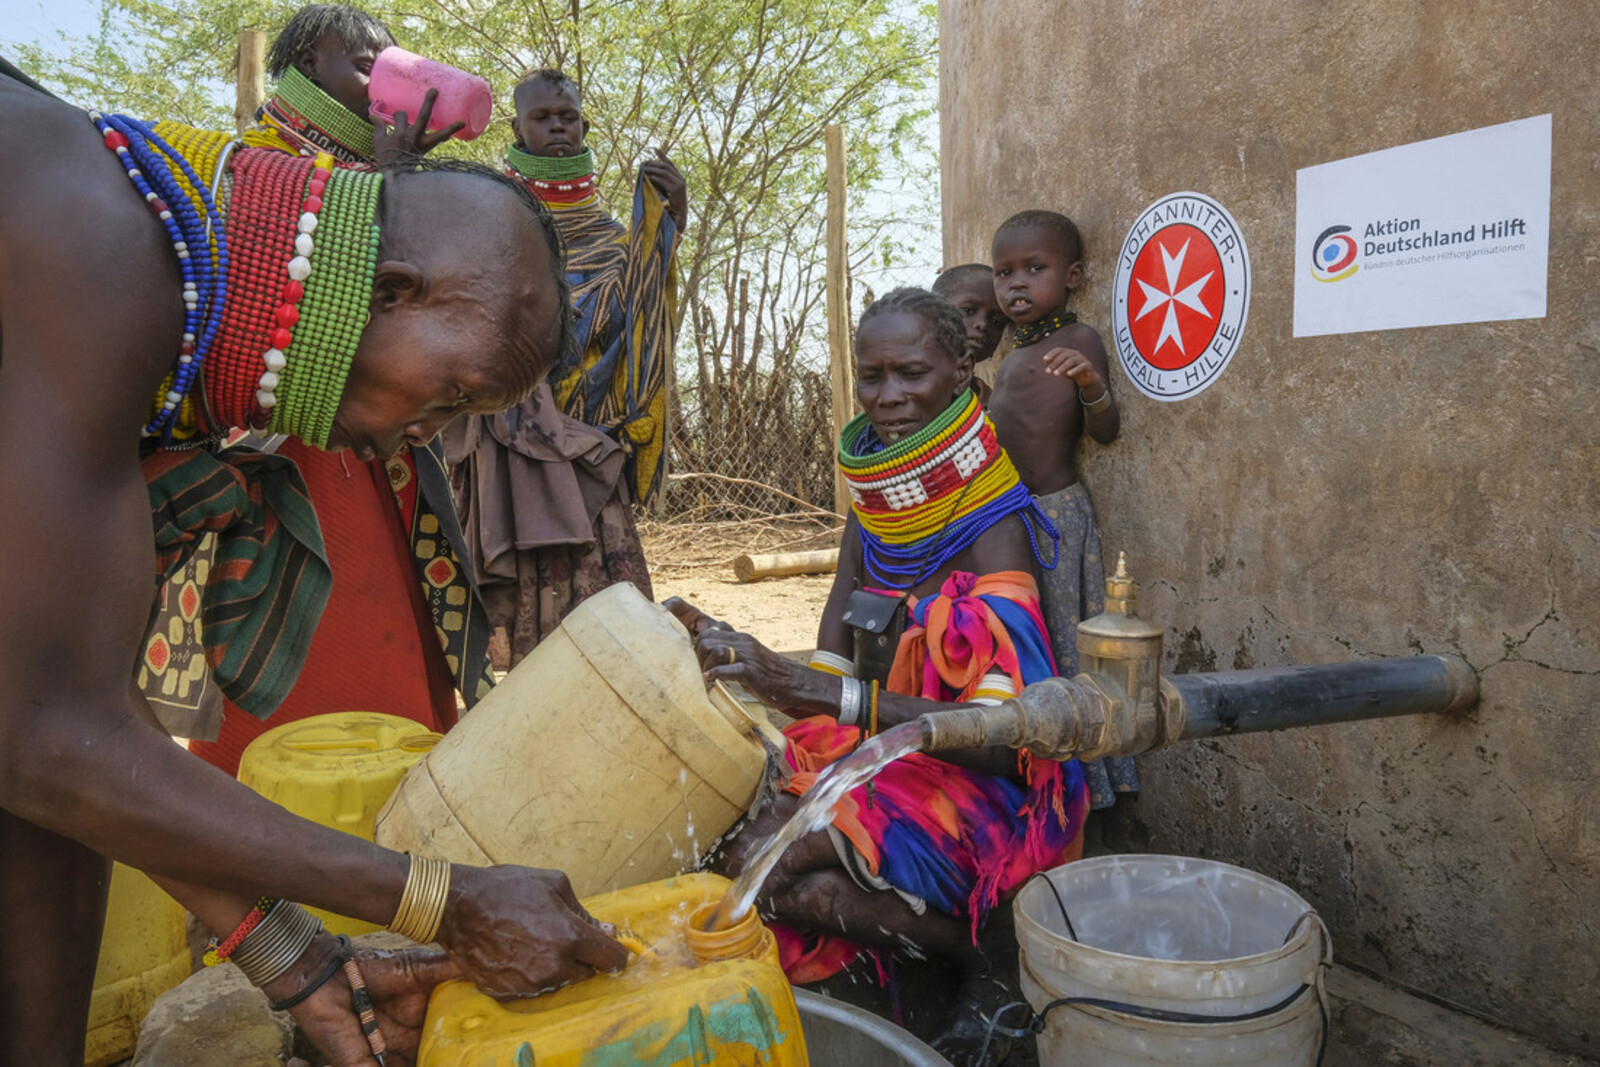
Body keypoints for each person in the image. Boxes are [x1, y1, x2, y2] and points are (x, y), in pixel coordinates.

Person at [0, 73, 628, 1066]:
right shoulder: (99, 263)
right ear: (388, 289)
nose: (421, 438)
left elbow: (64, 761)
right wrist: (445, 899)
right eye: (450, 393)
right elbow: (43, 739)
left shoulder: (129, 250)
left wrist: (298, 960)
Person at [666, 288, 1089, 1066]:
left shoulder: (990, 524)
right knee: (745, 842)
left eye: (912, 374)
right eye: (872, 376)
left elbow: (1003, 746)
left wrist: (821, 694)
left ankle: (989, 957)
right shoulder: (879, 502)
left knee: (790, 869)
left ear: (962, 369)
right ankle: (905, 948)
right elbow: (827, 658)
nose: (888, 397)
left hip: (984, 789)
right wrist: (749, 659)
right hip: (887, 752)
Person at [140, 4, 497, 773]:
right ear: (306, 63)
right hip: (281, 464)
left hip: (381, 462)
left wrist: (399, 179)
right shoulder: (249, 168)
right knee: (292, 654)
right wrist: (390, 184)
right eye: (364, 63)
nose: (380, 81)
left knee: (395, 647)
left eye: (393, 65)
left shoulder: (386, 169)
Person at [448, 67, 685, 662]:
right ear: (516, 127)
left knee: (609, 630)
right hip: (503, 444)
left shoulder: (611, 238)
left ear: (583, 126)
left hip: (588, 447)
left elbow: (638, 326)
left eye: (569, 117)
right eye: (542, 117)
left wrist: (668, 228)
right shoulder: (487, 222)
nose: (558, 126)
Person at [987, 209, 1144, 841]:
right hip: (1013, 517)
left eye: (1034, 269)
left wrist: (1090, 387)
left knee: (1068, 641)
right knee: (1037, 644)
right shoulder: (1012, 354)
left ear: (1073, 276)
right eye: (1004, 273)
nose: (1016, 285)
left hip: (1055, 514)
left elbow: (1106, 430)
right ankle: (1048, 767)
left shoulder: (1077, 343)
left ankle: (1096, 780)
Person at [932, 262, 1007, 405]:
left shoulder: (993, 406)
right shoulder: (898, 389)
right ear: (932, 313)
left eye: (997, 322)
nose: (983, 325)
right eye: (968, 311)